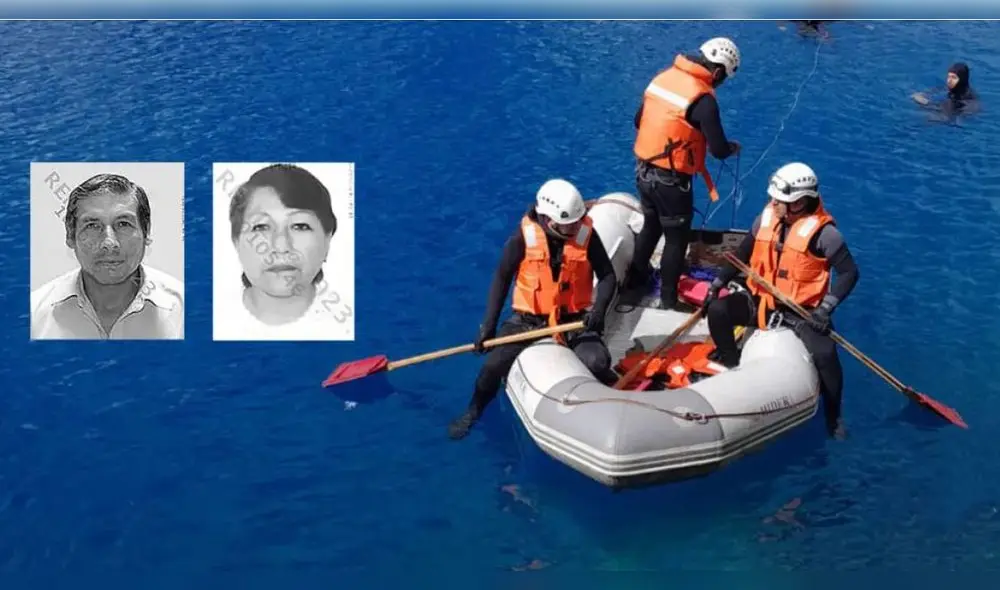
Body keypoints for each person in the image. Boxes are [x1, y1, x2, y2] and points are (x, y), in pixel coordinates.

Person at [448, 179, 619, 440]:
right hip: (529, 320)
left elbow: (607, 276)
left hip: (572, 319)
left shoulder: (585, 234)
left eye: (576, 222)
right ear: (549, 220)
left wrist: (598, 313)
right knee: (492, 367)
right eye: (568, 224)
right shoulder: (522, 239)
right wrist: (488, 326)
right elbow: (502, 278)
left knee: (597, 362)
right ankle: (474, 410)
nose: (575, 228)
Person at [699, 163, 860, 440]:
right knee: (717, 311)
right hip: (762, 299)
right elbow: (742, 253)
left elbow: (849, 272)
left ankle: (833, 416)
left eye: (780, 200)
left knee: (825, 356)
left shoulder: (825, 234)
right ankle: (734, 364)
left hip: (803, 310)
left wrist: (825, 309)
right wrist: (717, 284)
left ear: (799, 202)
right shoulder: (767, 217)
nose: (773, 202)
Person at [622, 37, 743, 310]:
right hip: (672, 181)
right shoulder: (703, 99)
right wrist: (733, 148)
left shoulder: (663, 78)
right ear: (718, 71)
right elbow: (719, 149)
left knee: (652, 226)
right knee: (676, 240)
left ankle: (634, 283)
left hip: (643, 172)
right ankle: (668, 299)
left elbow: (638, 120)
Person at [31, 173, 184, 340]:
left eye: (123, 224)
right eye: (92, 226)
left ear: (146, 232)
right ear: (70, 236)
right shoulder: (33, 314)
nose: (109, 243)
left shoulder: (185, 311)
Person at [220, 163, 351, 340]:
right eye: (261, 227)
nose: (281, 246)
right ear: (236, 241)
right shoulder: (217, 322)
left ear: (328, 238)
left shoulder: (347, 325)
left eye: (299, 226)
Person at [911, 62, 980, 116]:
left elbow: (971, 111)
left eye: (954, 77)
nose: (949, 80)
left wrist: (927, 104)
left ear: (962, 80)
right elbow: (925, 94)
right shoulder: (948, 88)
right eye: (949, 77)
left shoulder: (969, 98)